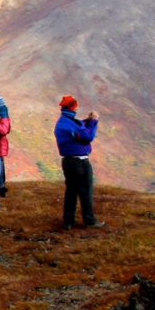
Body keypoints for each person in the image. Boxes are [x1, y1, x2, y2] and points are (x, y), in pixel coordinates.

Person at [54, 95, 101, 228]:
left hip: (69, 162)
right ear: (73, 107)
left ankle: (68, 221)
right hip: (79, 162)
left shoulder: (64, 122)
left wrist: (87, 120)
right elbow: (87, 136)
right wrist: (94, 122)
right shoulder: (67, 124)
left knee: (71, 191)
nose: (78, 108)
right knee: (85, 191)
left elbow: (79, 125)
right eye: (76, 106)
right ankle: (89, 220)